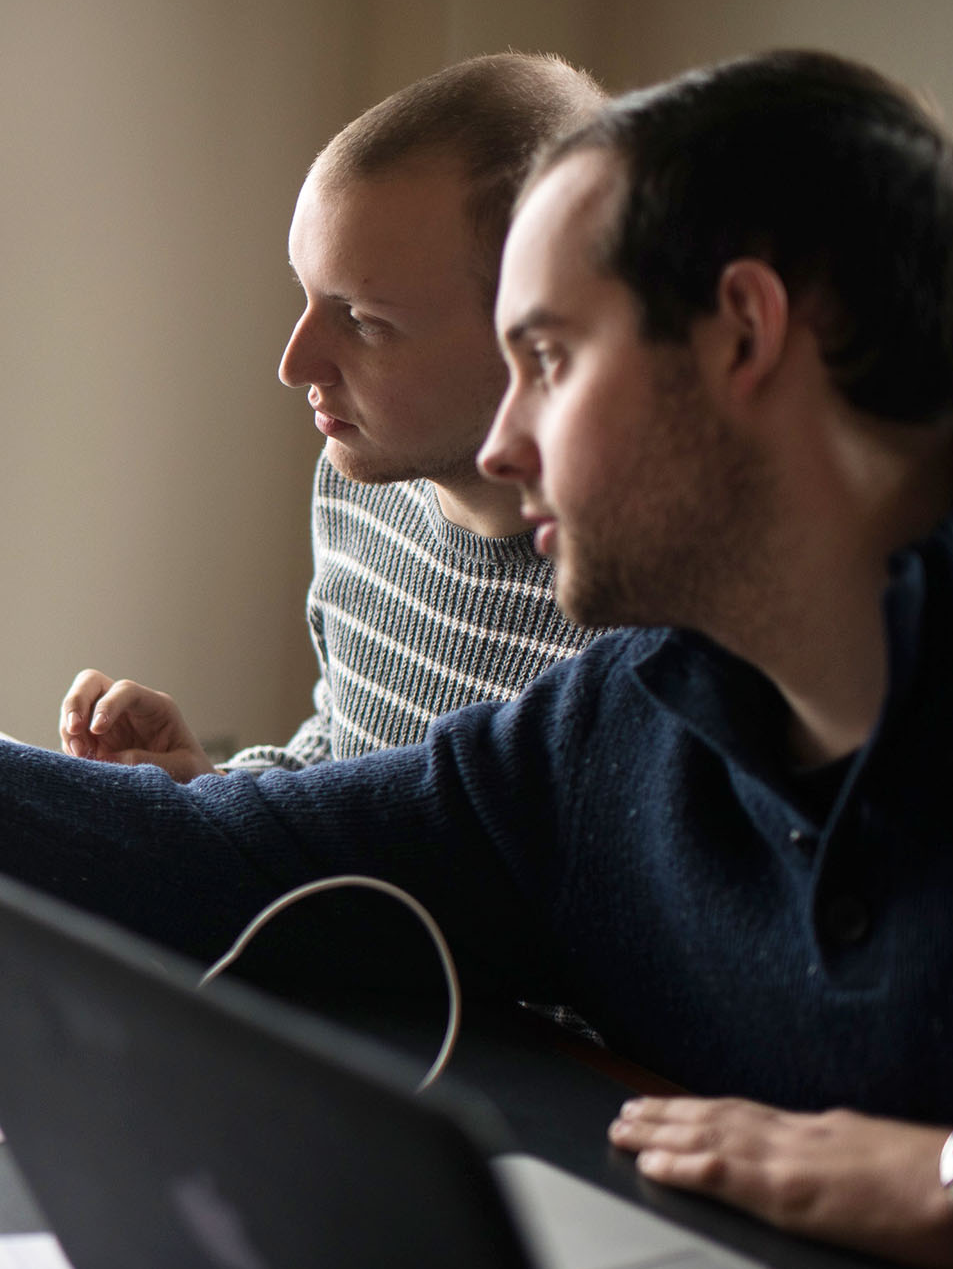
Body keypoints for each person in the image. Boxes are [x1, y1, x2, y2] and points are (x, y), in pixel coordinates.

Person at [0, 49, 953, 1269]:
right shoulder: (616, 730)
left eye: (548, 358)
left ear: (743, 334)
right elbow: (219, 855)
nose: (503, 441)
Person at [61, 53, 605, 779]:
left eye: (363, 320)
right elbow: (340, 756)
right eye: (307, 293)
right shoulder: (358, 487)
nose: (295, 365)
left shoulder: (632, 622)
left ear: (536, 336)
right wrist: (211, 787)